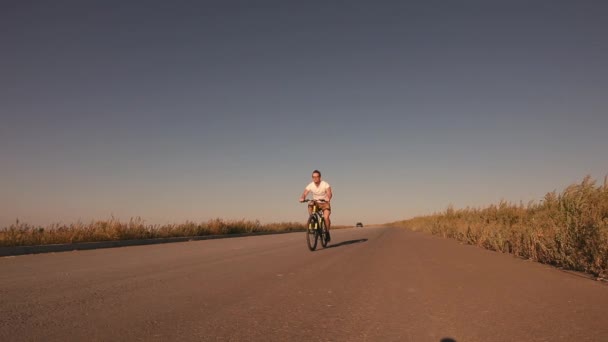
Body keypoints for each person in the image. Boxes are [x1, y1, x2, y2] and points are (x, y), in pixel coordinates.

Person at [299, 170, 333, 242]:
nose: (315, 178)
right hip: (316, 202)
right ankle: (312, 219)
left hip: (325, 202)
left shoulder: (325, 184)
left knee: (326, 217)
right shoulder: (311, 185)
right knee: (310, 203)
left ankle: (327, 232)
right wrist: (302, 197)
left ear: (320, 177)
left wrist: (328, 197)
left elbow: (329, 193)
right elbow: (305, 193)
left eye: (317, 177)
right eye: (314, 177)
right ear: (312, 178)